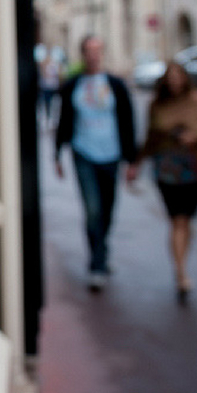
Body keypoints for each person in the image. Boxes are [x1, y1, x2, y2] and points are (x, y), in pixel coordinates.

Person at [126, 61, 197, 304]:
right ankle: (181, 272)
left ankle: (182, 266)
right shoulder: (158, 105)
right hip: (167, 169)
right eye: (169, 77)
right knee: (177, 219)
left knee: (186, 219)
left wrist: (196, 136)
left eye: (177, 76)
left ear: (185, 78)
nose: (174, 81)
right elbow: (151, 136)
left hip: (194, 167)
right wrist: (136, 162)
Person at [54, 35, 137, 291]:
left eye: (97, 50)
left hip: (111, 154)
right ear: (82, 53)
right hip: (83, 153)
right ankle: (97, 263)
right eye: (89, 50)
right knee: (92, 210)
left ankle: (102, 249)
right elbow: (64, 120)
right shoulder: (73, 85)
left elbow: (127, 122)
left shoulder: (115, 85)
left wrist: (131, 160)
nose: (93, 55)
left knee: (108, 208)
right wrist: (57, 153)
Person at [38, 48, 61, 128]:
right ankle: (48, 117)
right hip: (46, 87)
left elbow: (57, 75)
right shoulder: (44, 66)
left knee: (53, 102)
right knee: (47, 103)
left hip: (53, 86)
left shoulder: (54, 65)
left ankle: (52, 117)